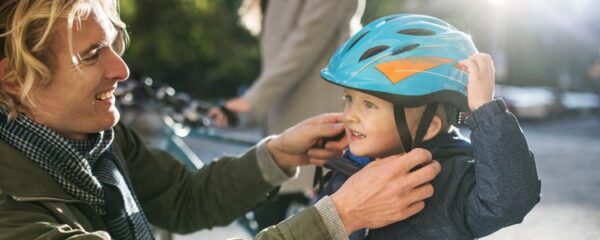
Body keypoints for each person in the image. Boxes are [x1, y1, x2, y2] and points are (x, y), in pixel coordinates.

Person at [0, 1, 442, 239]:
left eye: (114, 44)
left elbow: (184, 197)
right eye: (92, 54)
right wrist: (336, 217)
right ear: (15, 79)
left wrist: (277, 154)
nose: (122, 69)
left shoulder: (97, 138)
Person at [316, 14, 541, 239]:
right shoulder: (346, 173)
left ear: (429, 127)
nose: (348, 116)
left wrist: (485, 111)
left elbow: (510, 200)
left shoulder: (451, 183)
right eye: (348, 99)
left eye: (369, 104)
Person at [209, 0, 365, 230]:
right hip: (286, 114)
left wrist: (252, 100)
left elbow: (306, 41)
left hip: (320, 116)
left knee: (297, 222)